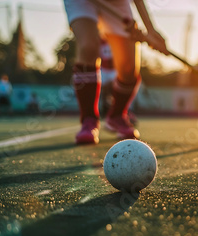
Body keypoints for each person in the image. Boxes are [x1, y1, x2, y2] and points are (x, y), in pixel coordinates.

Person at [64, 0, 169, 144]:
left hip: (116, 3)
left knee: (128, 67)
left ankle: (117, 115)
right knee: (89, 46)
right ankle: (89, 120)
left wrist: (150, 30)